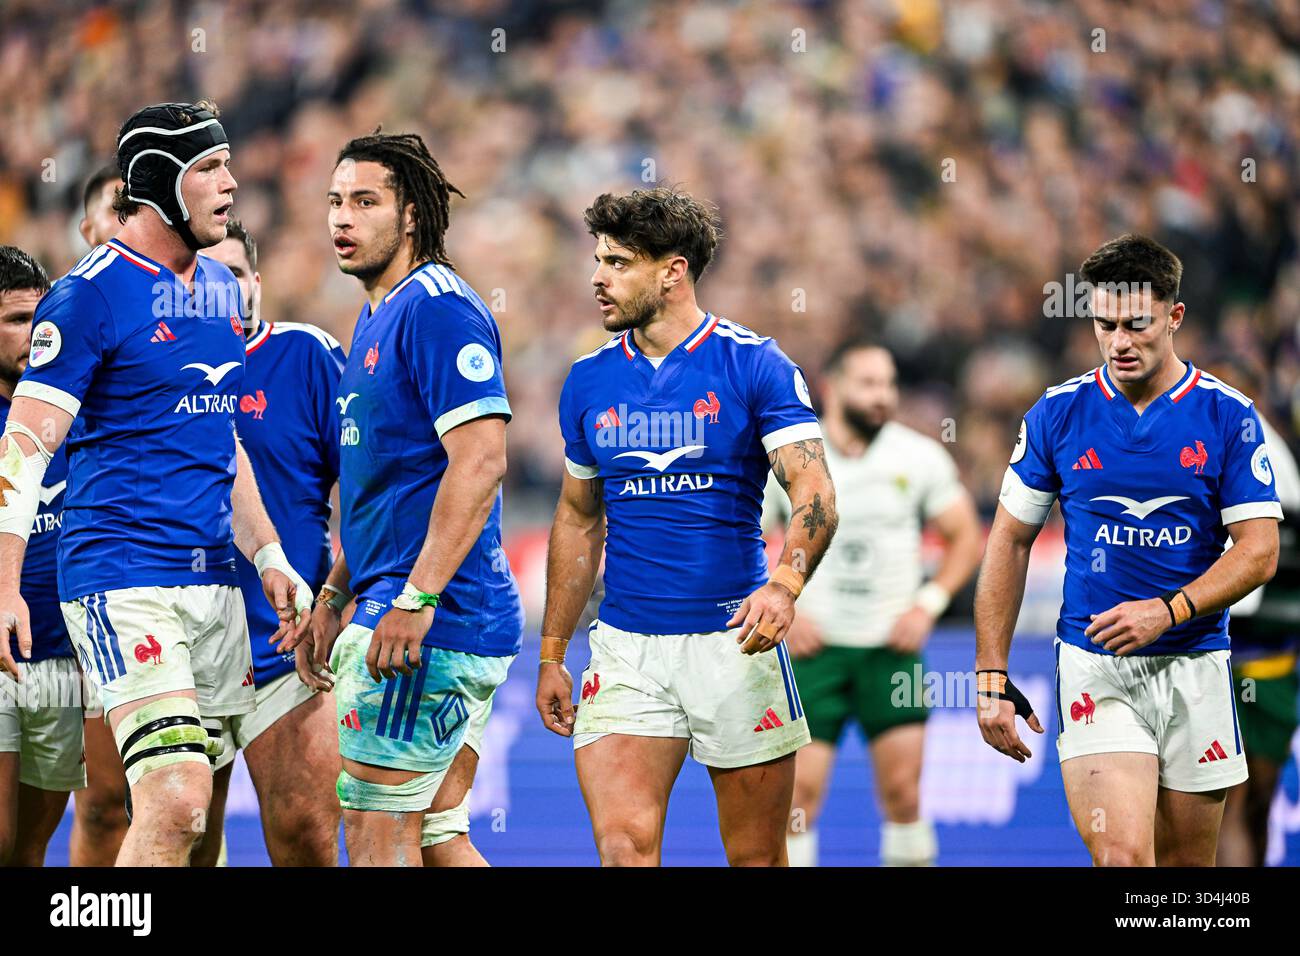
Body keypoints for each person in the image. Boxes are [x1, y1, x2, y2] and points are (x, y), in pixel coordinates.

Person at [0, 100, 314, 866]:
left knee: (195, 822)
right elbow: (25, 446)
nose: (231, 183)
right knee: (172, 800)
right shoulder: (88, 295)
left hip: (213, 587)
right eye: (210, 167)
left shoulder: (219, 291)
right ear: (160, 181)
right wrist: (4, 583)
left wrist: (269, 554)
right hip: (123, 581)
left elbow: (221, 440)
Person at [536, 186, 838, 866]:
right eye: (598, 260)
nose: (598, 277)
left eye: (618, 263)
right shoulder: (587, 380)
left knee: (756, 857)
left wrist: (785, 585)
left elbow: (814, 488)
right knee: (623, 849)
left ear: (673, 271)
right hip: (627, 649)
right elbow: (579, 518)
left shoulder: (754, 364)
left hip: (735, 644)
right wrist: (553, 651)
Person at [975, 234, 1281, 866]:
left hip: (1195, 662)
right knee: (1123, 858)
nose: (1119, 342)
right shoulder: (1058, 414)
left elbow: (1259, 551)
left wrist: (1167, 611)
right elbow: (1009, 540)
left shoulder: (1229, 417)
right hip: (1097, 663)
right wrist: (990, 675)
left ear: (1174, 316)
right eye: (1104, 325)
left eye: (1136, 324)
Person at [306, 132, 522, 867]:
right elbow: (388, 489)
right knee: (434, 837)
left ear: (410, 217)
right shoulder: (377, 314)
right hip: (413, 604)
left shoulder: (438, 310)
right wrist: (336, 590)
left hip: (429, 618)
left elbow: (481, 460)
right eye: (335, 201)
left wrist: (415, 598)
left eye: (365, 201)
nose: (343, 217)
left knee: (377, 833)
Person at [763, 339, 982, 866]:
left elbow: (966, 536)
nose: (882, 395)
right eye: (868, 383)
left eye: (888, 384)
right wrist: (785, 607)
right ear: (832, 387)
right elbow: (745, 536)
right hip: (814, 652)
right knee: (798, 801)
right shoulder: (794, 457)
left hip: (891, 651)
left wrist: (928, 604)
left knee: (905, 795)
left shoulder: (918, 456)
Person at [196, 220, 343, 866]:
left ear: (256, 281)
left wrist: (340, 598)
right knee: (186, 837)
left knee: (305, 835)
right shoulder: (151, 365)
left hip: (289, 643)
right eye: (204, 277)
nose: (222, 290)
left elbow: (365, 487)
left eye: (233, 274)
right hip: (184, 642)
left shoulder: (307, 355)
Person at [0, 247, 78, 866]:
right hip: (0, 658)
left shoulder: (78, 407)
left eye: (40, 318)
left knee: (28, 851)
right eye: (16, 320)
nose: (34, 334)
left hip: (63, 659)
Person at [1207, 358, 1300, 867]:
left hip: (1221, 652)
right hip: (1271, 663)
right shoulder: (1280, 458)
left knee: (1229, 806)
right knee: (1252, 806)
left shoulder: (1237, 447)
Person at [67, 163, 131, 868]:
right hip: (75, 588)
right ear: (87, 229)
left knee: (174, 796)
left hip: (156, 581)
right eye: (117, 211)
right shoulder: (62, 318)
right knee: (102, 801)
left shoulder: (183, 317)